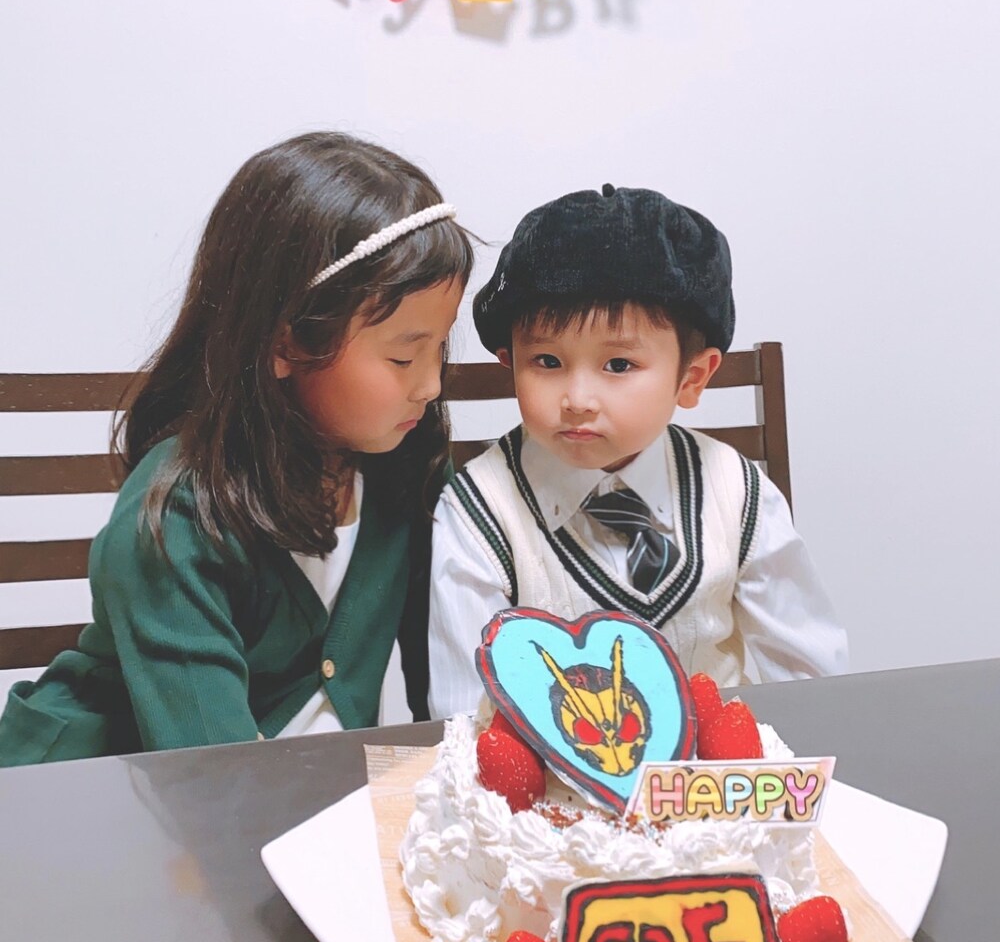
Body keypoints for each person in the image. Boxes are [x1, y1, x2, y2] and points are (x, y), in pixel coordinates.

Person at [0, 132, 473, 764]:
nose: (431, 385)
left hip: (291, 790)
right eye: (403, 356)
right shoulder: (178, 516)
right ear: (286, 344)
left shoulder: (406, 463)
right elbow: (215, 775)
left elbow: (445, 695)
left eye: (440, 347)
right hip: (99, 791)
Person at [428, 184, 848, 718]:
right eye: (547, 362)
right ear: (511, 363)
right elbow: (469, 717)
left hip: (717, 764)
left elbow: (810, 680)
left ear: (692, 378)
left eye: (619, 365)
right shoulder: (478, 513)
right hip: (553, 766)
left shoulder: (738, 495)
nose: (578, 400)